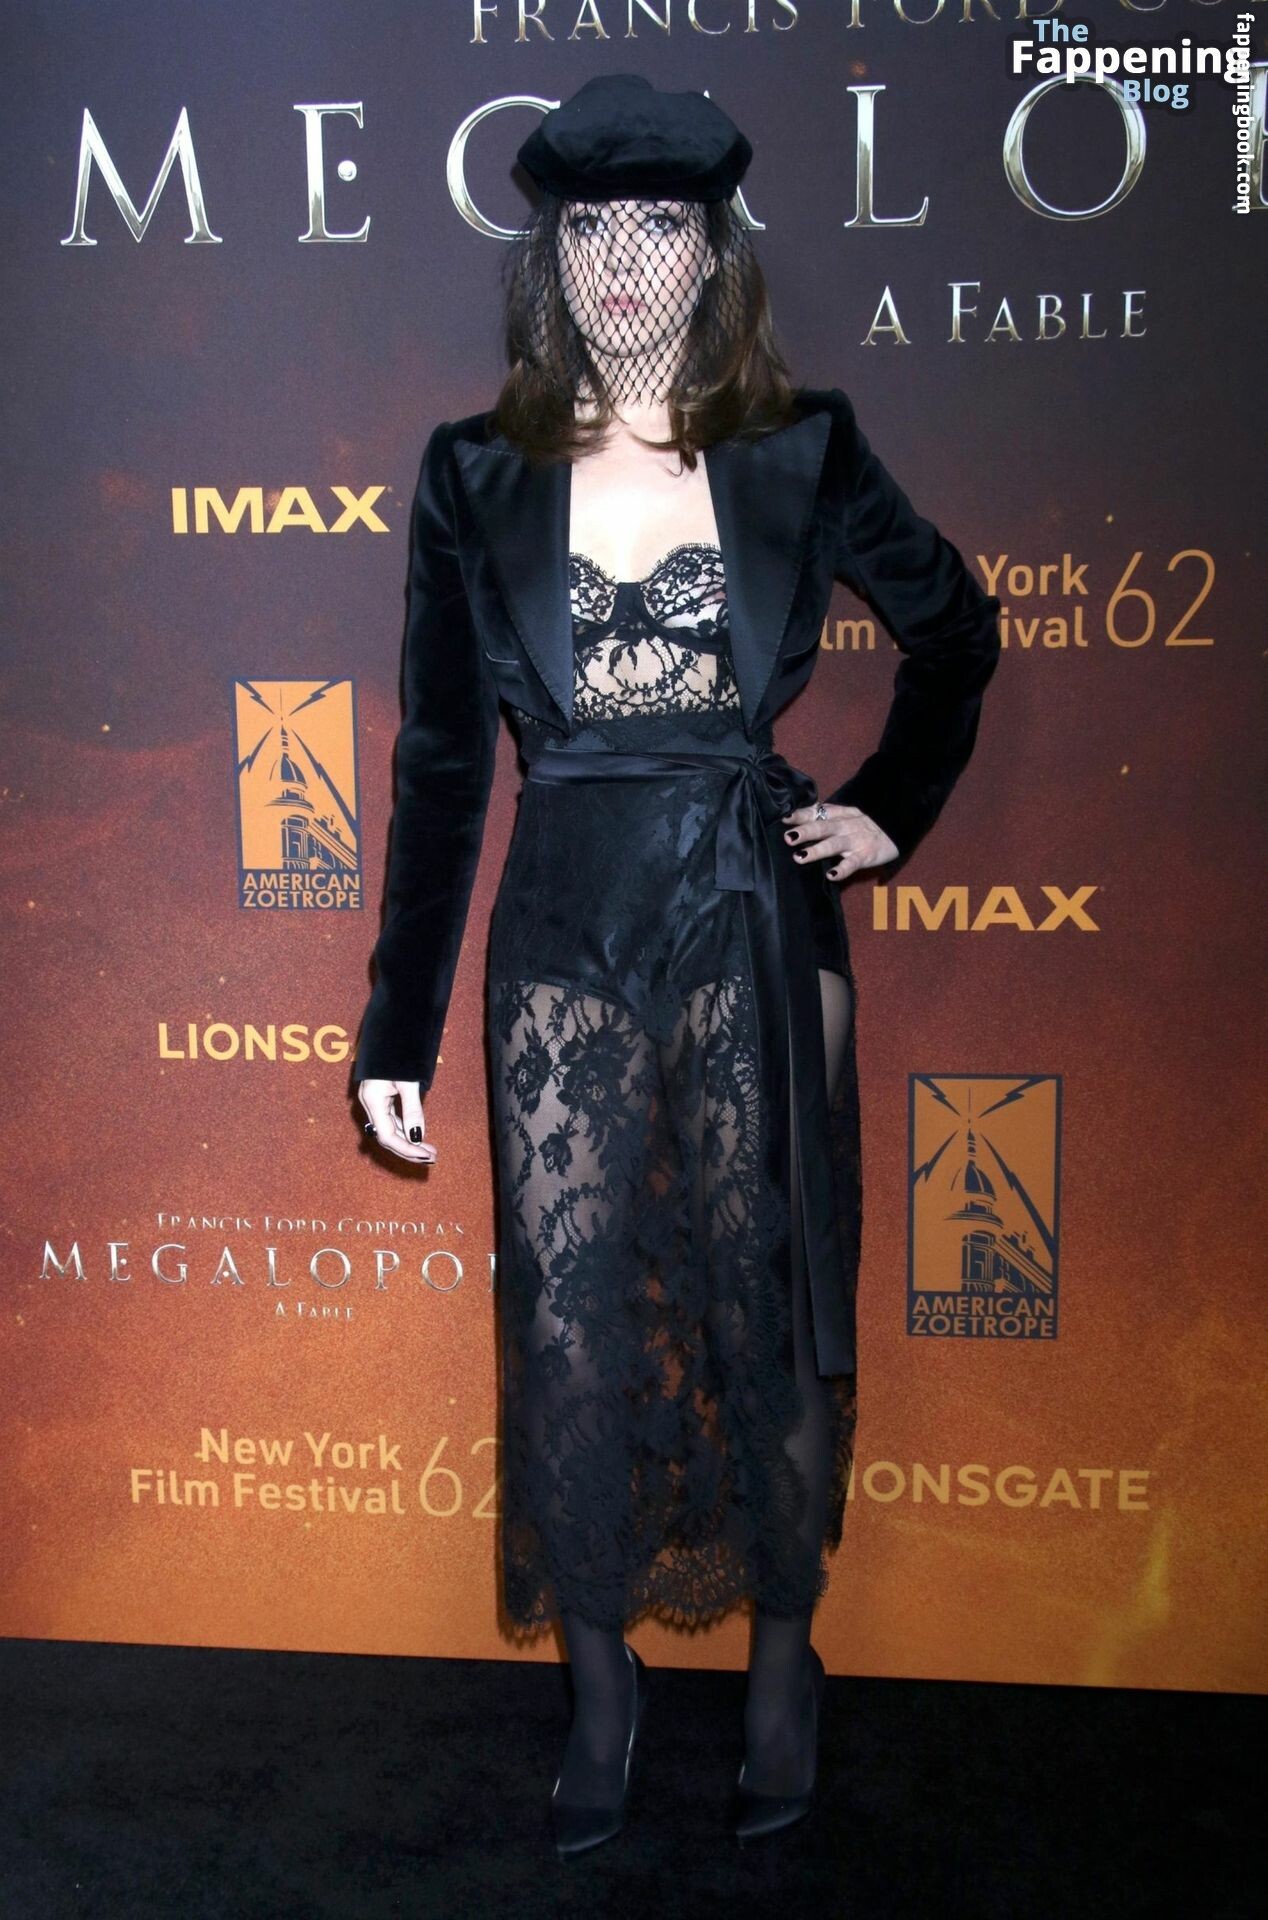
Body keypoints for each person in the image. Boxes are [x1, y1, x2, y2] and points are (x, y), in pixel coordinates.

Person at [354, 72, 1003, 1856]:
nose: (627, 259)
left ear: (712, 253)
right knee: (567, 1327)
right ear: (550, 257)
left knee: (762, 1304)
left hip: (745, 915)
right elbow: (438, 768)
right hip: (562, 925)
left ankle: (787, 1664)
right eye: (593, 228)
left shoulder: (803, 449)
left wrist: (887, 810)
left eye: (661, 226)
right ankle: (601, 1687)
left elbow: (956, 631)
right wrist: (394, 1030)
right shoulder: (472, 476)